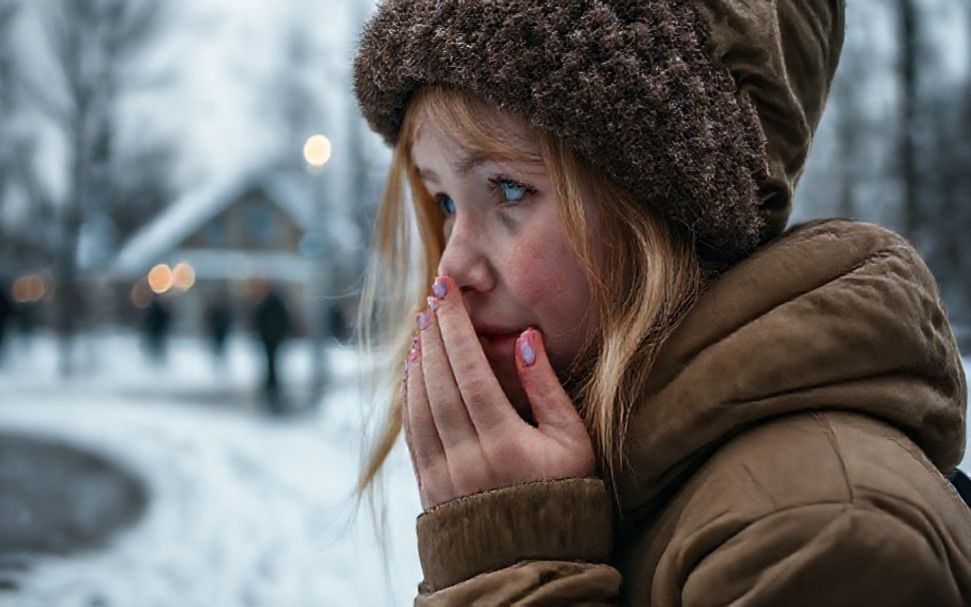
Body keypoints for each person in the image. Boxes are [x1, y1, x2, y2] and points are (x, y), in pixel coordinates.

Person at [352, 2, 971, 606]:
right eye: (445, 204)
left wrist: (512, 565)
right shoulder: (630, 479)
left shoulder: (821, 537)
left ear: (661, 208)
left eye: (510, 189)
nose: (453, 269)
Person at [251, 286, 291, 412]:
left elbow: (258, 319)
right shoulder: (277, 305)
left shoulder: (267, 305)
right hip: (273, 338)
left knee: (271, 361)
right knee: (272, 361)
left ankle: (271, 381)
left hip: (269, 338)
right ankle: (271, 381)